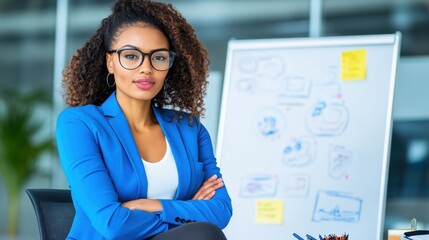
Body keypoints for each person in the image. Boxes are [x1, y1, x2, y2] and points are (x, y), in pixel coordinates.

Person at [55, 0, 232, 239]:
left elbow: (221, 211)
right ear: (110, 62)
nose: (146, 68)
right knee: (202, 234)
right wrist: (187, 213)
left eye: (158, 57)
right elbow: (112, 223)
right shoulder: (79, 123)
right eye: (131, 56)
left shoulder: (190, 128)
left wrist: (151, 205)